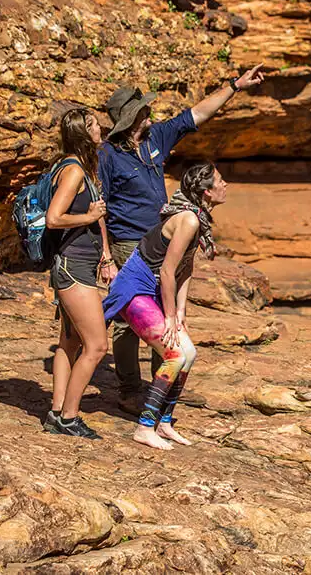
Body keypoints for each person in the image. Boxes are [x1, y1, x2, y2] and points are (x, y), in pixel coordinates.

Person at [99, 65, 264, 415]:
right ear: (132, 118)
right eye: (145, 110)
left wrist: (236, 85)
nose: (151, 112)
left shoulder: (156, 137)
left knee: (162, 316)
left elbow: (197, 114)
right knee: (132, 320)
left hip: (162, 237)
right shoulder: (110, 156)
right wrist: (106, 255)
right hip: (129, 244)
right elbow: (100, 206)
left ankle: (163, 380)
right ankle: (130, 389)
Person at [102, 163, 226, 449]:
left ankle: (165, 423)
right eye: (220, 180)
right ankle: (145, 427)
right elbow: (168, 271)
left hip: (153, 289)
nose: (225, 184)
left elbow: (185, 267)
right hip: (133, 288)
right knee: (173, 355)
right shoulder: (189, 220)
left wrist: (181, 312)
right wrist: (169, 316)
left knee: (189, 353)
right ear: (207, 192)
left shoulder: (198, 218)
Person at [42, 108, 112, 439]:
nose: (101, 129)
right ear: (84, 133)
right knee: (97, 346)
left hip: (76, 264)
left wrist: (105, 254)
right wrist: (88, 217)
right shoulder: (73, 172)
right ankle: (69, 417)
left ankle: (56, 412)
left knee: (68, 343)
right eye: (95, 125)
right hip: (73, 267)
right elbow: (53, 219)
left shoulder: (77, 167)